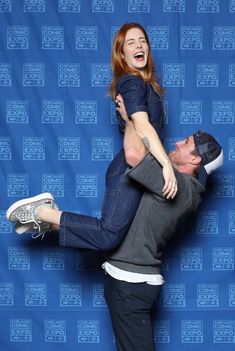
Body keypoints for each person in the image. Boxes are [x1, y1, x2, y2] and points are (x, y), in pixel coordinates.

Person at [6, 23, 177, 249]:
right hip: (129, 171)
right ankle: (43, 211)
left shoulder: (143, 84)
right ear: (122, 54)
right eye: (131, 42)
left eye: (142, 41)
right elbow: (143, 125)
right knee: (109, 236)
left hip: (138, 171)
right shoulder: (132, 81)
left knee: (119, 238)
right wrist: (166, 164)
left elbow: (138, 126)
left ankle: (48, 220)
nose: (139, 45)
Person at [102, 121, 223, 351]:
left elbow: (134, 153)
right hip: (131, 282)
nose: (177, 142)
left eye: (186, 143)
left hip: (131, 284)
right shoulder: (184, 185)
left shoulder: (178, 184)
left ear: (195, 159)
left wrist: (132, 117)